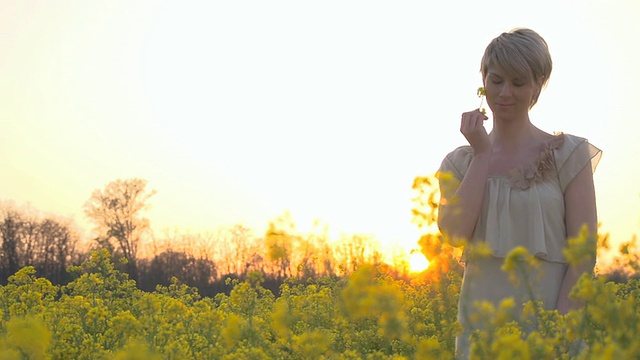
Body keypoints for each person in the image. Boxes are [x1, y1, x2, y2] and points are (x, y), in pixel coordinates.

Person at [436, 28, 602, 358]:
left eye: (518, 82)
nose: (505, 92)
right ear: (483, 81)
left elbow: (583, 254)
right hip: (481, 325)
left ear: (538, 84)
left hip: (551, 321)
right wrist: (482, 155)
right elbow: (454, 235)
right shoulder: (459, 162)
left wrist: (560, 328)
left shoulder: (568, 154)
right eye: (496, 80)